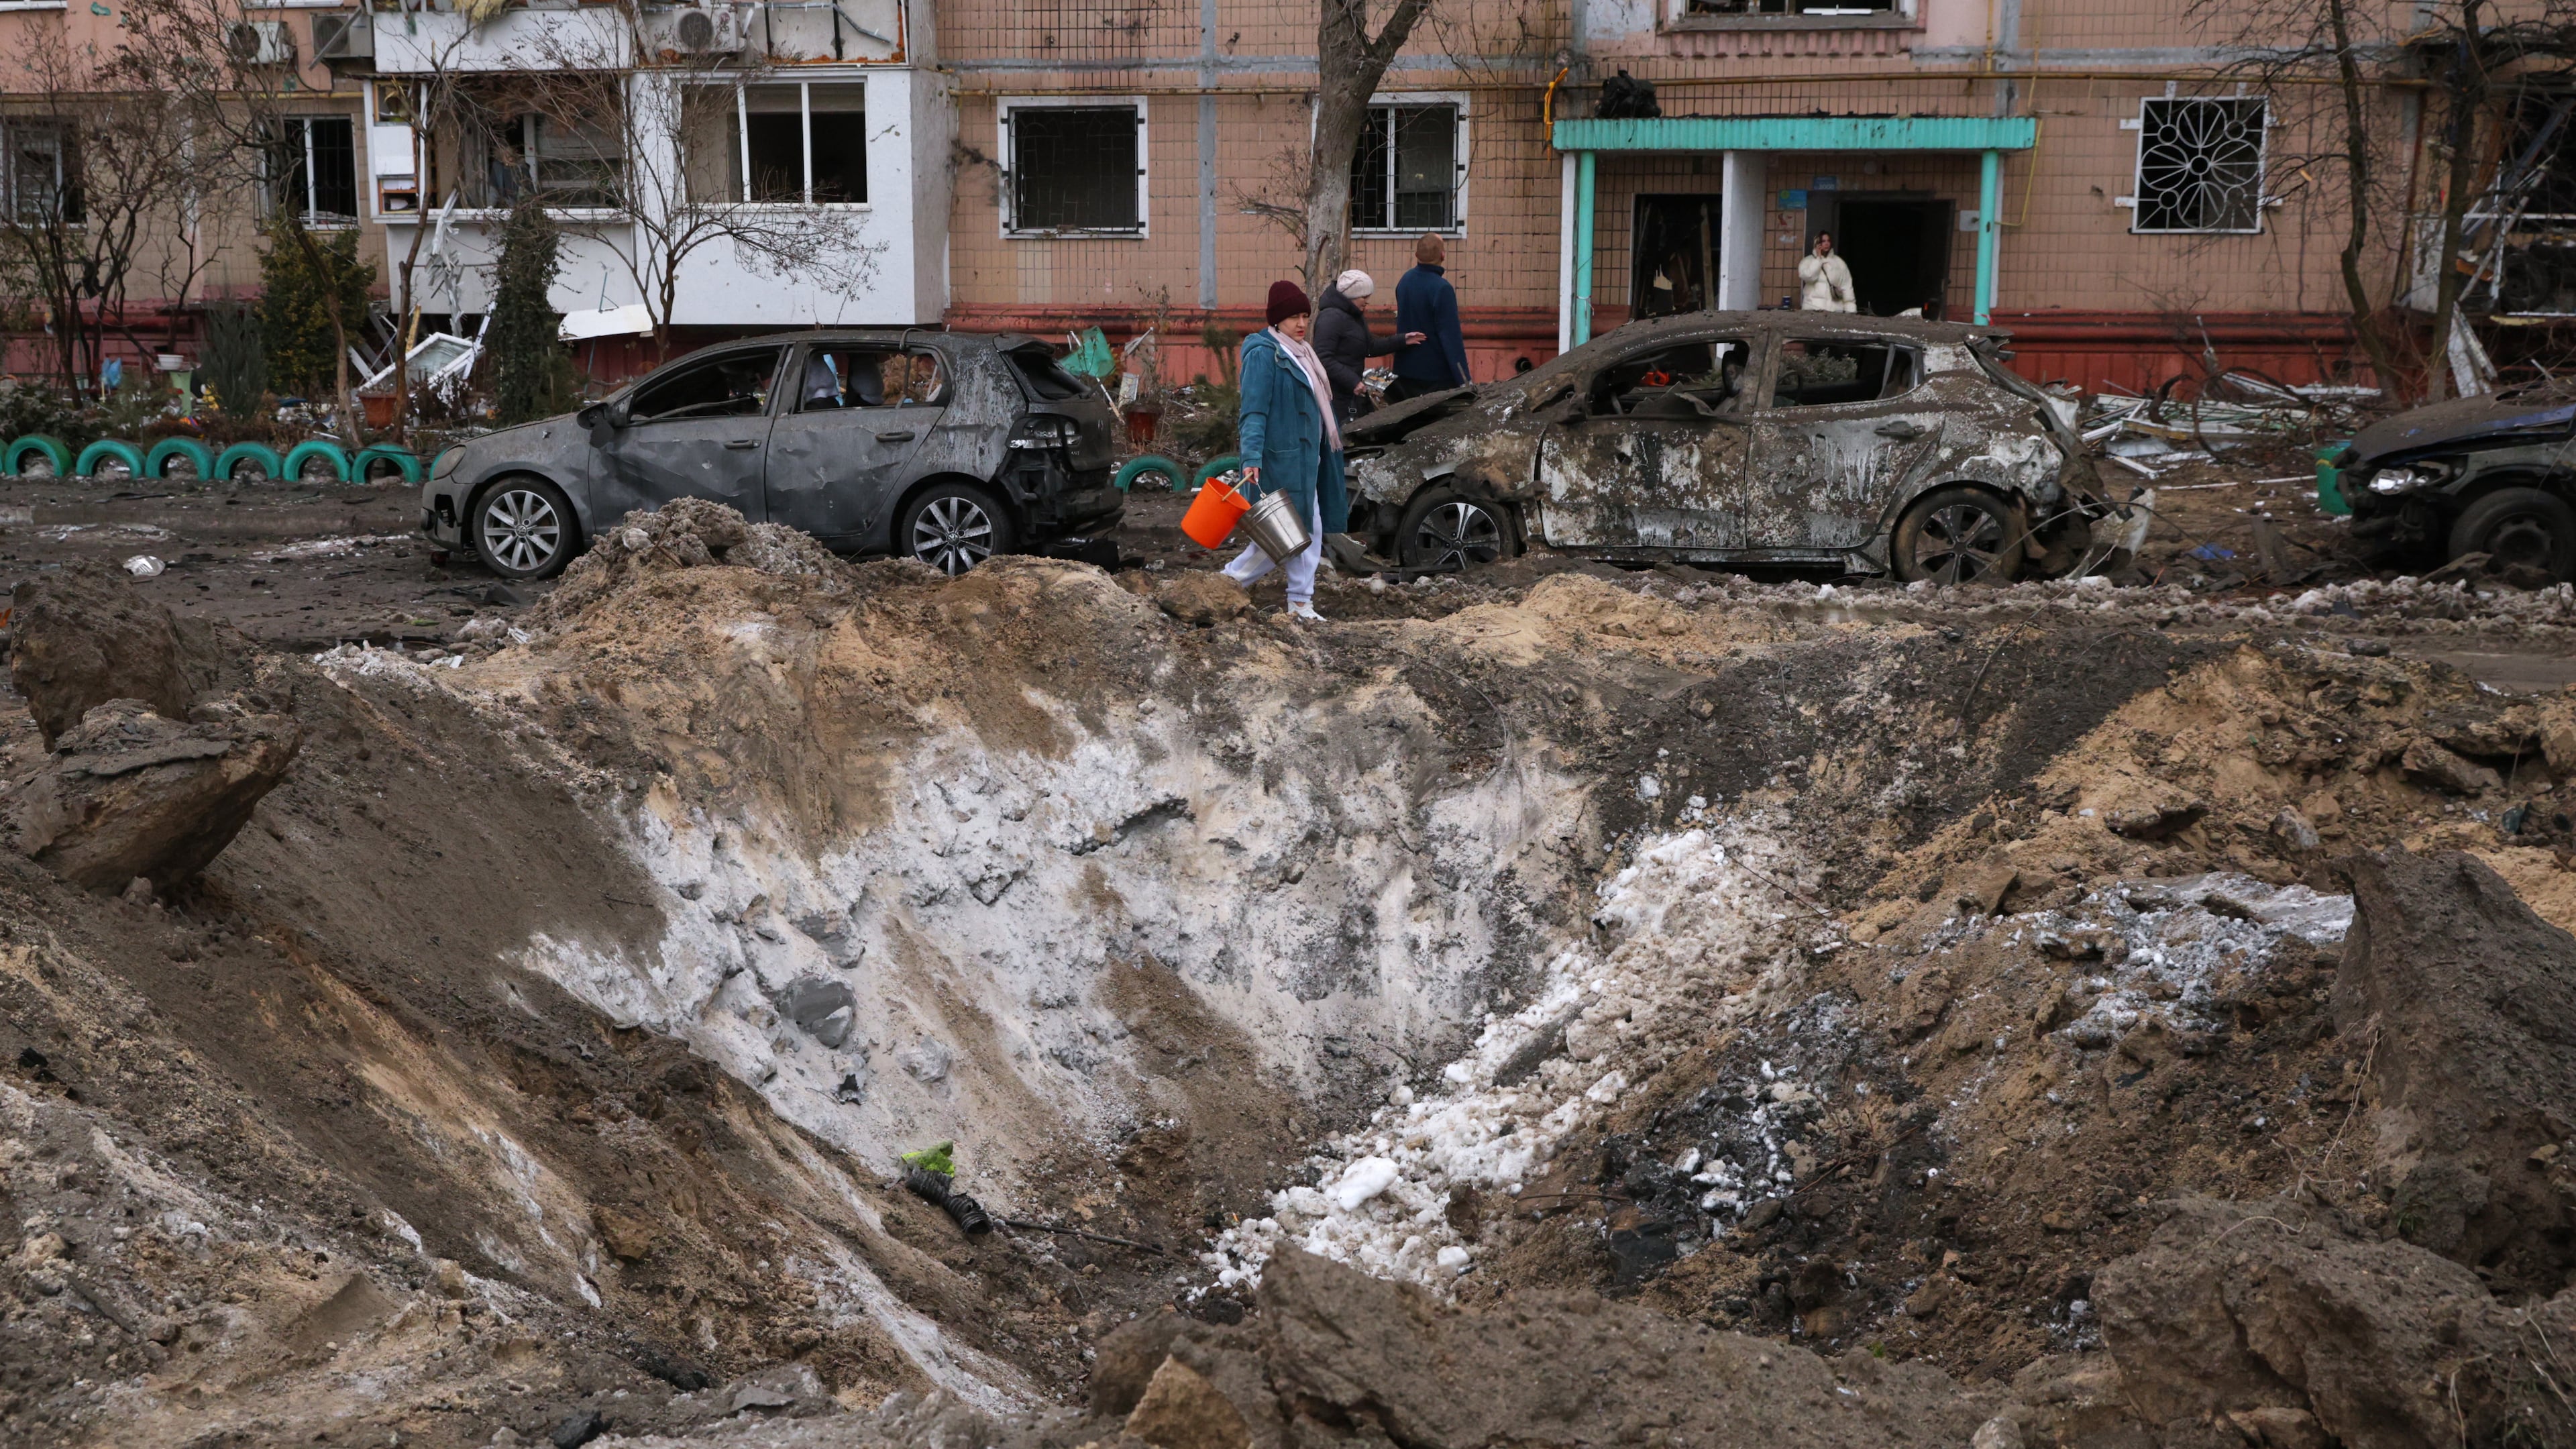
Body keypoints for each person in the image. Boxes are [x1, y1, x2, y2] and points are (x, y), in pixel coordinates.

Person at [1222, 280, 1346, 623]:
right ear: (1277, 320)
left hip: (1308, 460)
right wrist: (1251, 459)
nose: (1301, 323)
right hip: (1280, 461)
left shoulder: (1302, 352)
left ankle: (1301, 603)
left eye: (1305, 315)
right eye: (1293, 317)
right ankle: (1227, 583)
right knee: (1278, 538)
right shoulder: (1265, 353)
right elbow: (1254, 412)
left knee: (1308, 530)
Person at [1313, 269, 1426, 425]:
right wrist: (1352, 381)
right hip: (1336, 395)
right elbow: (1323, 358)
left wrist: (1402, 341)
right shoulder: (1331, 318)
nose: (1367, 301)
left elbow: (1368, 346)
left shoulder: (1354, 315)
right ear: (1351, 296)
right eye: (1364, 297)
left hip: (1350, 393)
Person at [1391, 234, 1471, 402]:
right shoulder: (1442, 289)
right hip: (1436, 376)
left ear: (1417, 255)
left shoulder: (1405, 281)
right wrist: (1464, 380)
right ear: (1443, 255)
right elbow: (1451, 337)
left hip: (1406, 371)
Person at [1799, 231, 1856, 313]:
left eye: (1828, 241)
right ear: (1817, 243)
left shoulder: (1839, 263)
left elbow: (1847, 286)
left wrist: (1851, 310)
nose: (1826, 244)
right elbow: (1809, 277)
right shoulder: (1807, 261)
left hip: (1835, 310)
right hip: (1813, 309)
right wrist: (1818, 260)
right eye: (1823, 241)